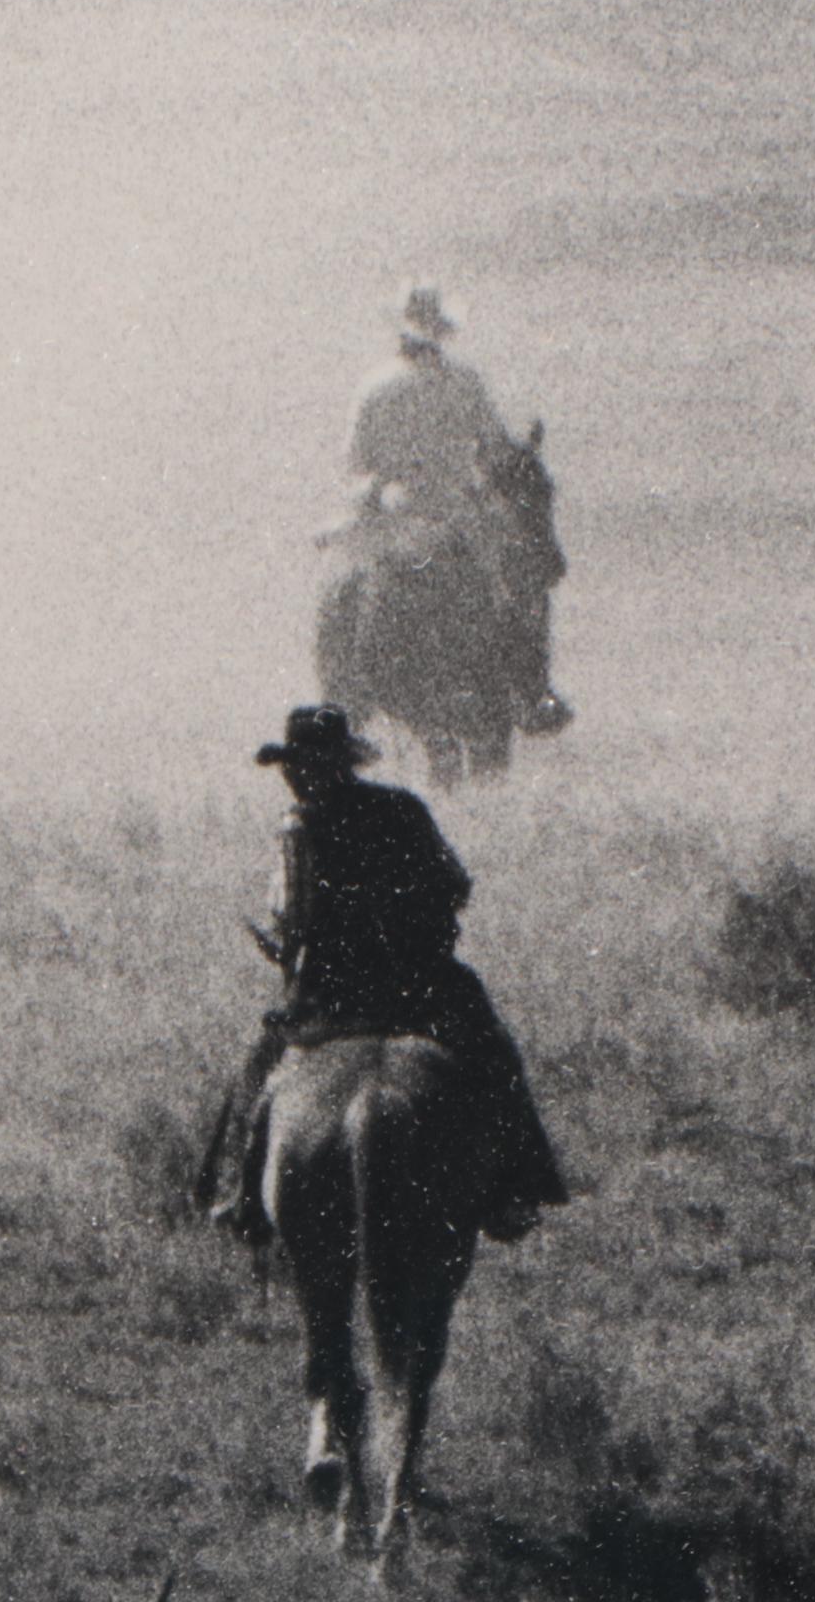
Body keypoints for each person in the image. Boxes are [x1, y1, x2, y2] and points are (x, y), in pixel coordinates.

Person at [199, 705, 570, 1246]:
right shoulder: (404, 809)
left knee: (258, 1071)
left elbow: (291, 919)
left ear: (314, 766)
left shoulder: (298, 828)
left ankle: (238, 1195)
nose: (294, 775)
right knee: (493, 1056)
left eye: (298, 765)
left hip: (331, 996)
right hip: (422, 988)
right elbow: (456, 885)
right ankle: (518, 1186)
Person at [344, 285, 570, 736]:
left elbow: (356, 466)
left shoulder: (374, 387)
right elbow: (496, 453)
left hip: (396, 520)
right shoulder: (465, 382)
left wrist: (381, 492)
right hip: (460, 520)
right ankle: (534, 691)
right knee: (520, 589)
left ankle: (350, 701)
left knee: (350, 591)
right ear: (444, 332)